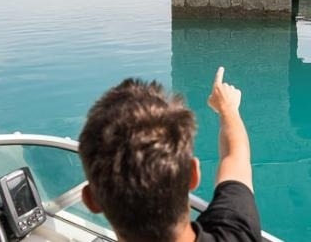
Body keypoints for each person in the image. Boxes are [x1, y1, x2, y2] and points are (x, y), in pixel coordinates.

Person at [77, 66, 261, 242]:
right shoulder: (238, 232)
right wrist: (227, 109)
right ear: (193, 174)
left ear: (91, 200)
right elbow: (236, 156)